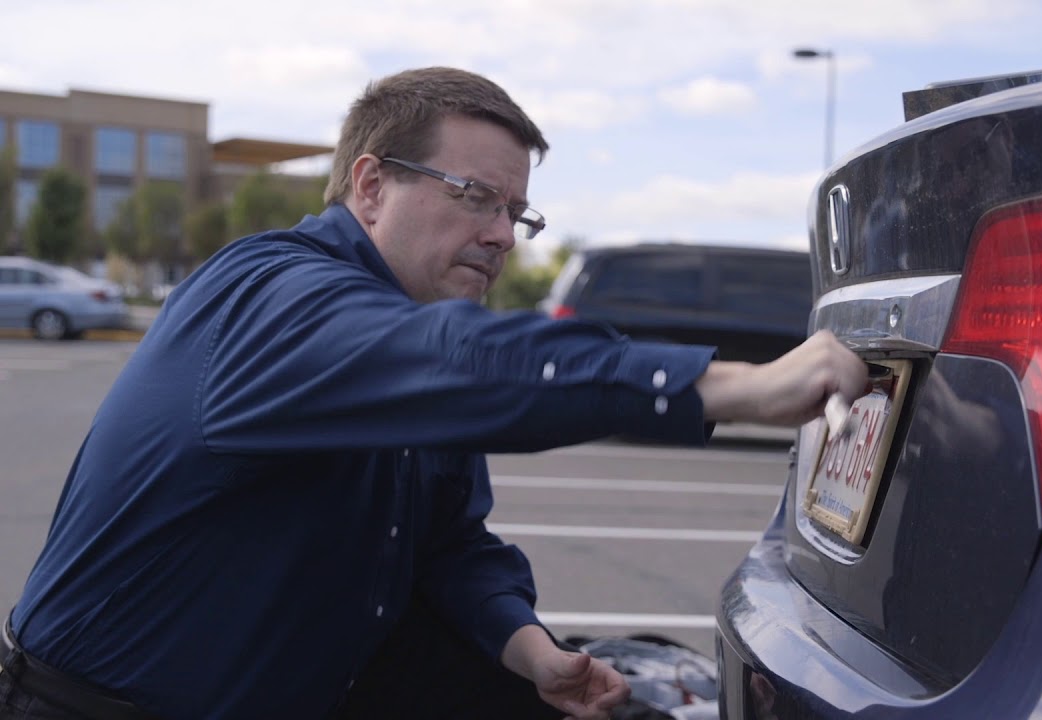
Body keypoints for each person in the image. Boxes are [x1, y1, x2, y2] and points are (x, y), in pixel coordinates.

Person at [0, 67, 869, 720]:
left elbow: (449, 543)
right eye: (476, 197)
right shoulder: (267, 298)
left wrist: (528, 650)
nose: (502, 236)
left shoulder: (412, 344)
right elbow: (460, 358)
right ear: (370, 185)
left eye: (516, 213)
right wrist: (742, 385)